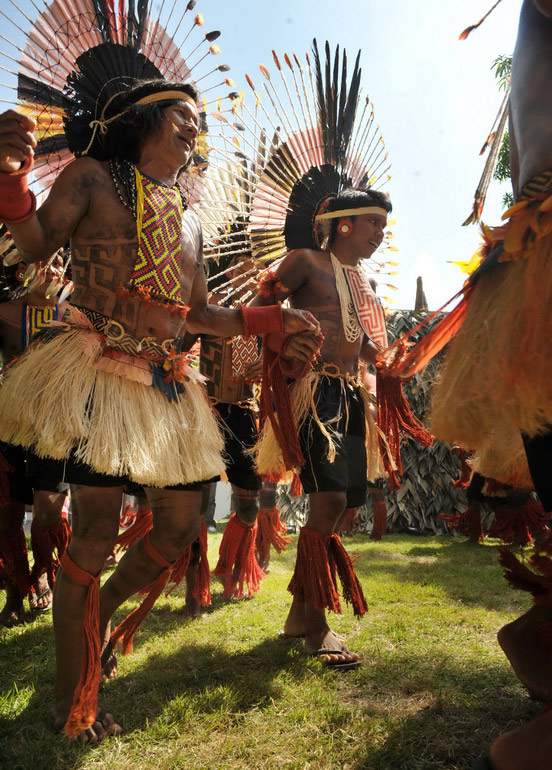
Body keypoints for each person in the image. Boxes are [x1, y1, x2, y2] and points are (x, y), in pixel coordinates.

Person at [0, 78, 318, 741]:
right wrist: (10, 181)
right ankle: (71, 700)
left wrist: (271, 321)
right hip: (95, 369)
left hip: (165, 381)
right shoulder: (92, 177)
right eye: (183, 115)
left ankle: (99, 618)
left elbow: (201, 315)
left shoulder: (192, 218)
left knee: (177, 531)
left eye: (200, 121)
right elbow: (35, 247)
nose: (194, 128)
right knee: (91, 537)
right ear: (144, 117)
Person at [252, 187, 391, 668]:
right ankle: (317, 628)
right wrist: (286, 331)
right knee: (328, 500)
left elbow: (361, 343)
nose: (381, 233)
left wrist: (393, 359)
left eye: (383, 226)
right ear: (345, 223)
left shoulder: (360, 280)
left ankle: (297, 615)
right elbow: (259, 306)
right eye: (374, 222)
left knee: (343, 503)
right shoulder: (305, 261)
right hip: (313, 392)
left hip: (351, 394)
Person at [0, 254, 70, 624]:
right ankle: (15, 591)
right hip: (8, 425)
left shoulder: (75, 314)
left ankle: (45, 570)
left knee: (46, 510)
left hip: (53, 425)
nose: (51, 270)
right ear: (22, 267)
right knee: (6, 516)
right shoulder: (5, 311)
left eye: (58, 263)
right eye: (43, 263)